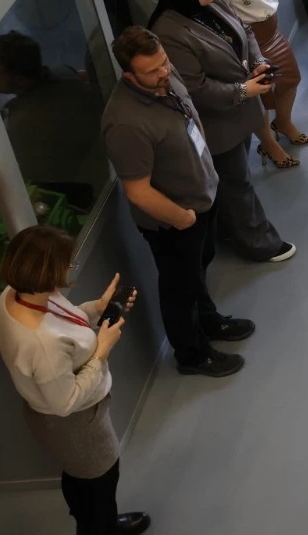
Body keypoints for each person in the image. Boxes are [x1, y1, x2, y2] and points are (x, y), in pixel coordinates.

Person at [101, 26, 257, 378]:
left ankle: (209, 321)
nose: (163, 73)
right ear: (129, 75)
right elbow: (138, 191)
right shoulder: (126, 123)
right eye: (152, 70)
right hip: (174, 220)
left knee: (199, 268)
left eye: (164, 63)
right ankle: (192, 355)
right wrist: (183, 218)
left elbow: (190, 120)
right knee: (179, 287)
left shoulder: (165, 78)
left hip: (202, 198)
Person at [0, 225, 149, 535]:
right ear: (49, 272)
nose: (70, 268)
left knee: (81, 478)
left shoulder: (17, 294)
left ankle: (95, 521)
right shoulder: (42, 343)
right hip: (76, 424)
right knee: (100, 483)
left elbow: (64, 325)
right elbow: (67, 401)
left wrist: (97, 308)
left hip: (58, 422)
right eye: (68, 263)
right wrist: (101, 350)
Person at [148, 0, 296, 262]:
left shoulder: (211, 2)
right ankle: (259, 244)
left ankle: (232, 230)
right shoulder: (169, 33)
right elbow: (197, 88)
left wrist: (258, 62)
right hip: (216, 122)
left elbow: (245, 32)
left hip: (241, 110)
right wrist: (244, 90)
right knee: (236, 183)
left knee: (235, 179)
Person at [201, 0, 308, 160]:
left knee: (290, 79)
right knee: (261, 97)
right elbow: (220, 14)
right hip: (250, 40)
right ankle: (269, 144)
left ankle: (283, 122)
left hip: (272, 32)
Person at [0, 32, 106, 206]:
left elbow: (34, 178)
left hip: (79, 193)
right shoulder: (64, 73)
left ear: (21, 80)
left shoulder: (25, 123)